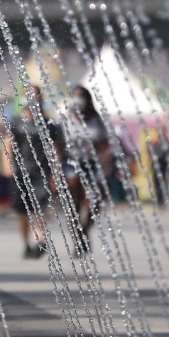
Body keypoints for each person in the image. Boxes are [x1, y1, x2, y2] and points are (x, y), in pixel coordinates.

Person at [3, 85, 63, 259]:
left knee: (40, 207)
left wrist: (56, 171)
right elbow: (8, 144)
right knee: (22, 211)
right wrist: (8, 165)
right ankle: (26, 244)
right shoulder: (16, 121)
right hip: (21, 171)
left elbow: (55, 149)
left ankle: (41, 239)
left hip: (41, 171)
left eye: (36, 96)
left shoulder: (49, 124)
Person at [61, 86, 110, 254]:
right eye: (74, 96)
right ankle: (77, 236)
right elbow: (57, 145)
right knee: (74, 198)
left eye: (80, 96)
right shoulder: (65, 120)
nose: (77, 100)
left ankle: (84, 229)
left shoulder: (96, 120)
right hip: (71, 161)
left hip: (92, 162)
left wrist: (97, 146)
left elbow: (106, 142)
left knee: (96, 199)